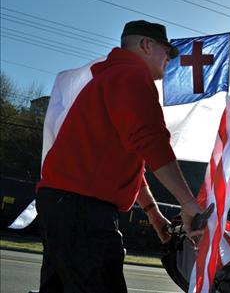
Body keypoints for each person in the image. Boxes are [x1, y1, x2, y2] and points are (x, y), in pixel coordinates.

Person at [35, 20, 204, 293]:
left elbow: (129, 159)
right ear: (146, 46)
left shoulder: (111, 77)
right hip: (83, 208)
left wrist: (153, 213)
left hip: (64, 203)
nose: (169, 60)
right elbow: (151, 141)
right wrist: (188, 204)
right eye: (166, 52)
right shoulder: (131, 75)